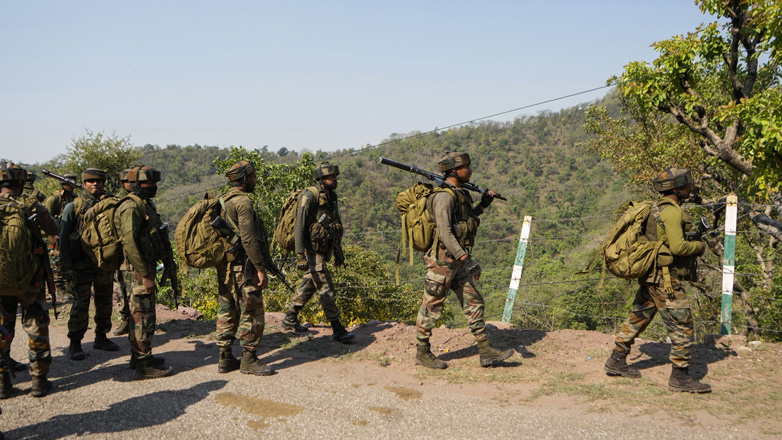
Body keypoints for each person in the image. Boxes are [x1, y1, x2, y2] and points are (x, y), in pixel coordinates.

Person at [604, 167, 711, 393]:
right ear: (675, 187)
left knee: (639, 316)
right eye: (686, 184)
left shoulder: (656, 208)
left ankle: (616, 360)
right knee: (682, 325)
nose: (689, 187)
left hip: (651, 276)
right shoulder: (672, 213)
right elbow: (678, 247)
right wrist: (699, 247)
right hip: (665, 280)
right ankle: (680, 377)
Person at [414, 152, 513, 369]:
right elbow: (446, 233)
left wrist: (484, 205)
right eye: (467, 167)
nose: (471, 170)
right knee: (431, 307)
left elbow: (466, 221)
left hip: (456, 260)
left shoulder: (458, 195)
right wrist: (466, 258)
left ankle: (486, 351)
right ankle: (422, 352)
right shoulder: (443, 197)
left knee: (474, 302)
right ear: (454, 171)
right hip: (441, 261)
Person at [0, 161, 59, 398]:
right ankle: (39, 381)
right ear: (22, 183)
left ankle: (3, 384)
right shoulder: (31, 205)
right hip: (31, 279)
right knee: (36, 327)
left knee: (2, 330)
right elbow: (52, 227)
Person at [214, 160, 276, 375]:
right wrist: (260, 268)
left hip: (226, 267)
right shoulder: (243, 202)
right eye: (253, 176)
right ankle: (249, 359)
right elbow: (248, 238)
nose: (255, 180)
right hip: (244, 267)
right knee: (252, 309)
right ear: (246, 178)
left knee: (227, 308)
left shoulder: (222, 200)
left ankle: (225, 357)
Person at [282, 162, 354, 343]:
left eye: (335, 176)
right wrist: (299, 255)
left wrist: (338, 253)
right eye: (331, 177)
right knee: (324, 286)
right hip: (311, 249)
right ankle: (337, 328)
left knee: (310, 282)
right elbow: (299, 226)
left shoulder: (332, 197)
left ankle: (290, 317)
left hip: (324, 248)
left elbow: (334, 225)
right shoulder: (310, 196)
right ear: (322, 179)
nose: (335, 179)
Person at [115, 165, 174, 379]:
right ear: (138, 184)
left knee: (140, 314)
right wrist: (145, 274)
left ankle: (138, 357)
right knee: (143, 316)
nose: (153, 187)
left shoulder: (143, 204)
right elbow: (129, 243)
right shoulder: (131, 207)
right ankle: (144, 364)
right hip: (136, 269)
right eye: (149, 183)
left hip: (142, 267)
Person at [60, 169, 119, 360]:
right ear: (84, 183)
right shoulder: (73, 207)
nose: (95, 184)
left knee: (105, 302)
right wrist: (66, 266)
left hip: (103, 263)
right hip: (80, 264)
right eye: (91, 181)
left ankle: (101, 337)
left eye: (99, 181)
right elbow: (63, 239)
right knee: (80, 304)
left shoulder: (110, 204)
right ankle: (75, 343)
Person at [43, 173, 78, 299]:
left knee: (70, 263)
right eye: (69, 182)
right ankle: (60, 290)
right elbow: (46, 220)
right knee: (57, 263)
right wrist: (52, 236)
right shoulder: (54, 199)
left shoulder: (75, 198)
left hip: (70, 236)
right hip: (57, 235)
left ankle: (70, 288)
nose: (72, 185)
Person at [113, 169, 132, 337]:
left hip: (133, 258)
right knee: (123, 291)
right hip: (123, 257)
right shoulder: (119, 203)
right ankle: (126, 320)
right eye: (128, 181)